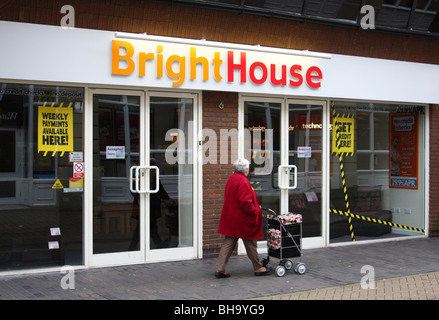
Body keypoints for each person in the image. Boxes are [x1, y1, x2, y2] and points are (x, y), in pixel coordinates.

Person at [215, 158, 272, 278]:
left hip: (232, 218)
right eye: (248, 168)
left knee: (228, 243)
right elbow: (246, 202)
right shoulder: (243, 181)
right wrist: (256, 211)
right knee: (251, 242)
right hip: (243, 219)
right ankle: (258, 267)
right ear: (246, 169)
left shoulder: (232, 179)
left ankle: (220, 269)